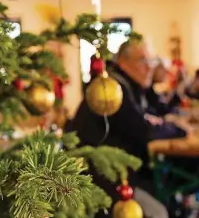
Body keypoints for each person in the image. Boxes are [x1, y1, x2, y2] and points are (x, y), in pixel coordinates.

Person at [68, 40, 170, 218]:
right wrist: (178, 129)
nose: (150, 68)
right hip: (102, 181)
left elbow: (149, 118)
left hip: (119, 174)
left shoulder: (131, 86)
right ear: (123, 62)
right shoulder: (113, 90)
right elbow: (144, 130)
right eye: (143, 61)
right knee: (159, 213)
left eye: (152, 61)